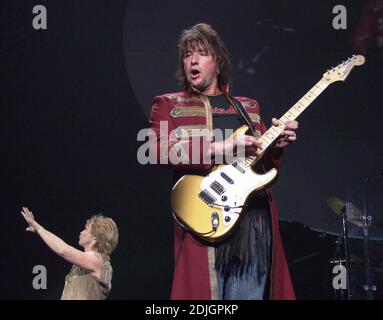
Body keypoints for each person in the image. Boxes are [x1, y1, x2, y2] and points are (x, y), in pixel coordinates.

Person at [149, 23, 298, 300]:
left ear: (217, 62)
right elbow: (157, 150)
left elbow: (263, 165)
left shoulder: (249, 108)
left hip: (252, 226)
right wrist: (223, 146)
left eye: (202, 53)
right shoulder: (169, 104)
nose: (193, 60)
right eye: (187, 55)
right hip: (205, 223)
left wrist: (276, 147)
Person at [21, 207, 119, 300]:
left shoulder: (97, 260)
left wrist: (39, 228)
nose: (81, 232)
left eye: (86, 229)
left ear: (95, 237)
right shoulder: (84, 264)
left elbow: (63, 250)